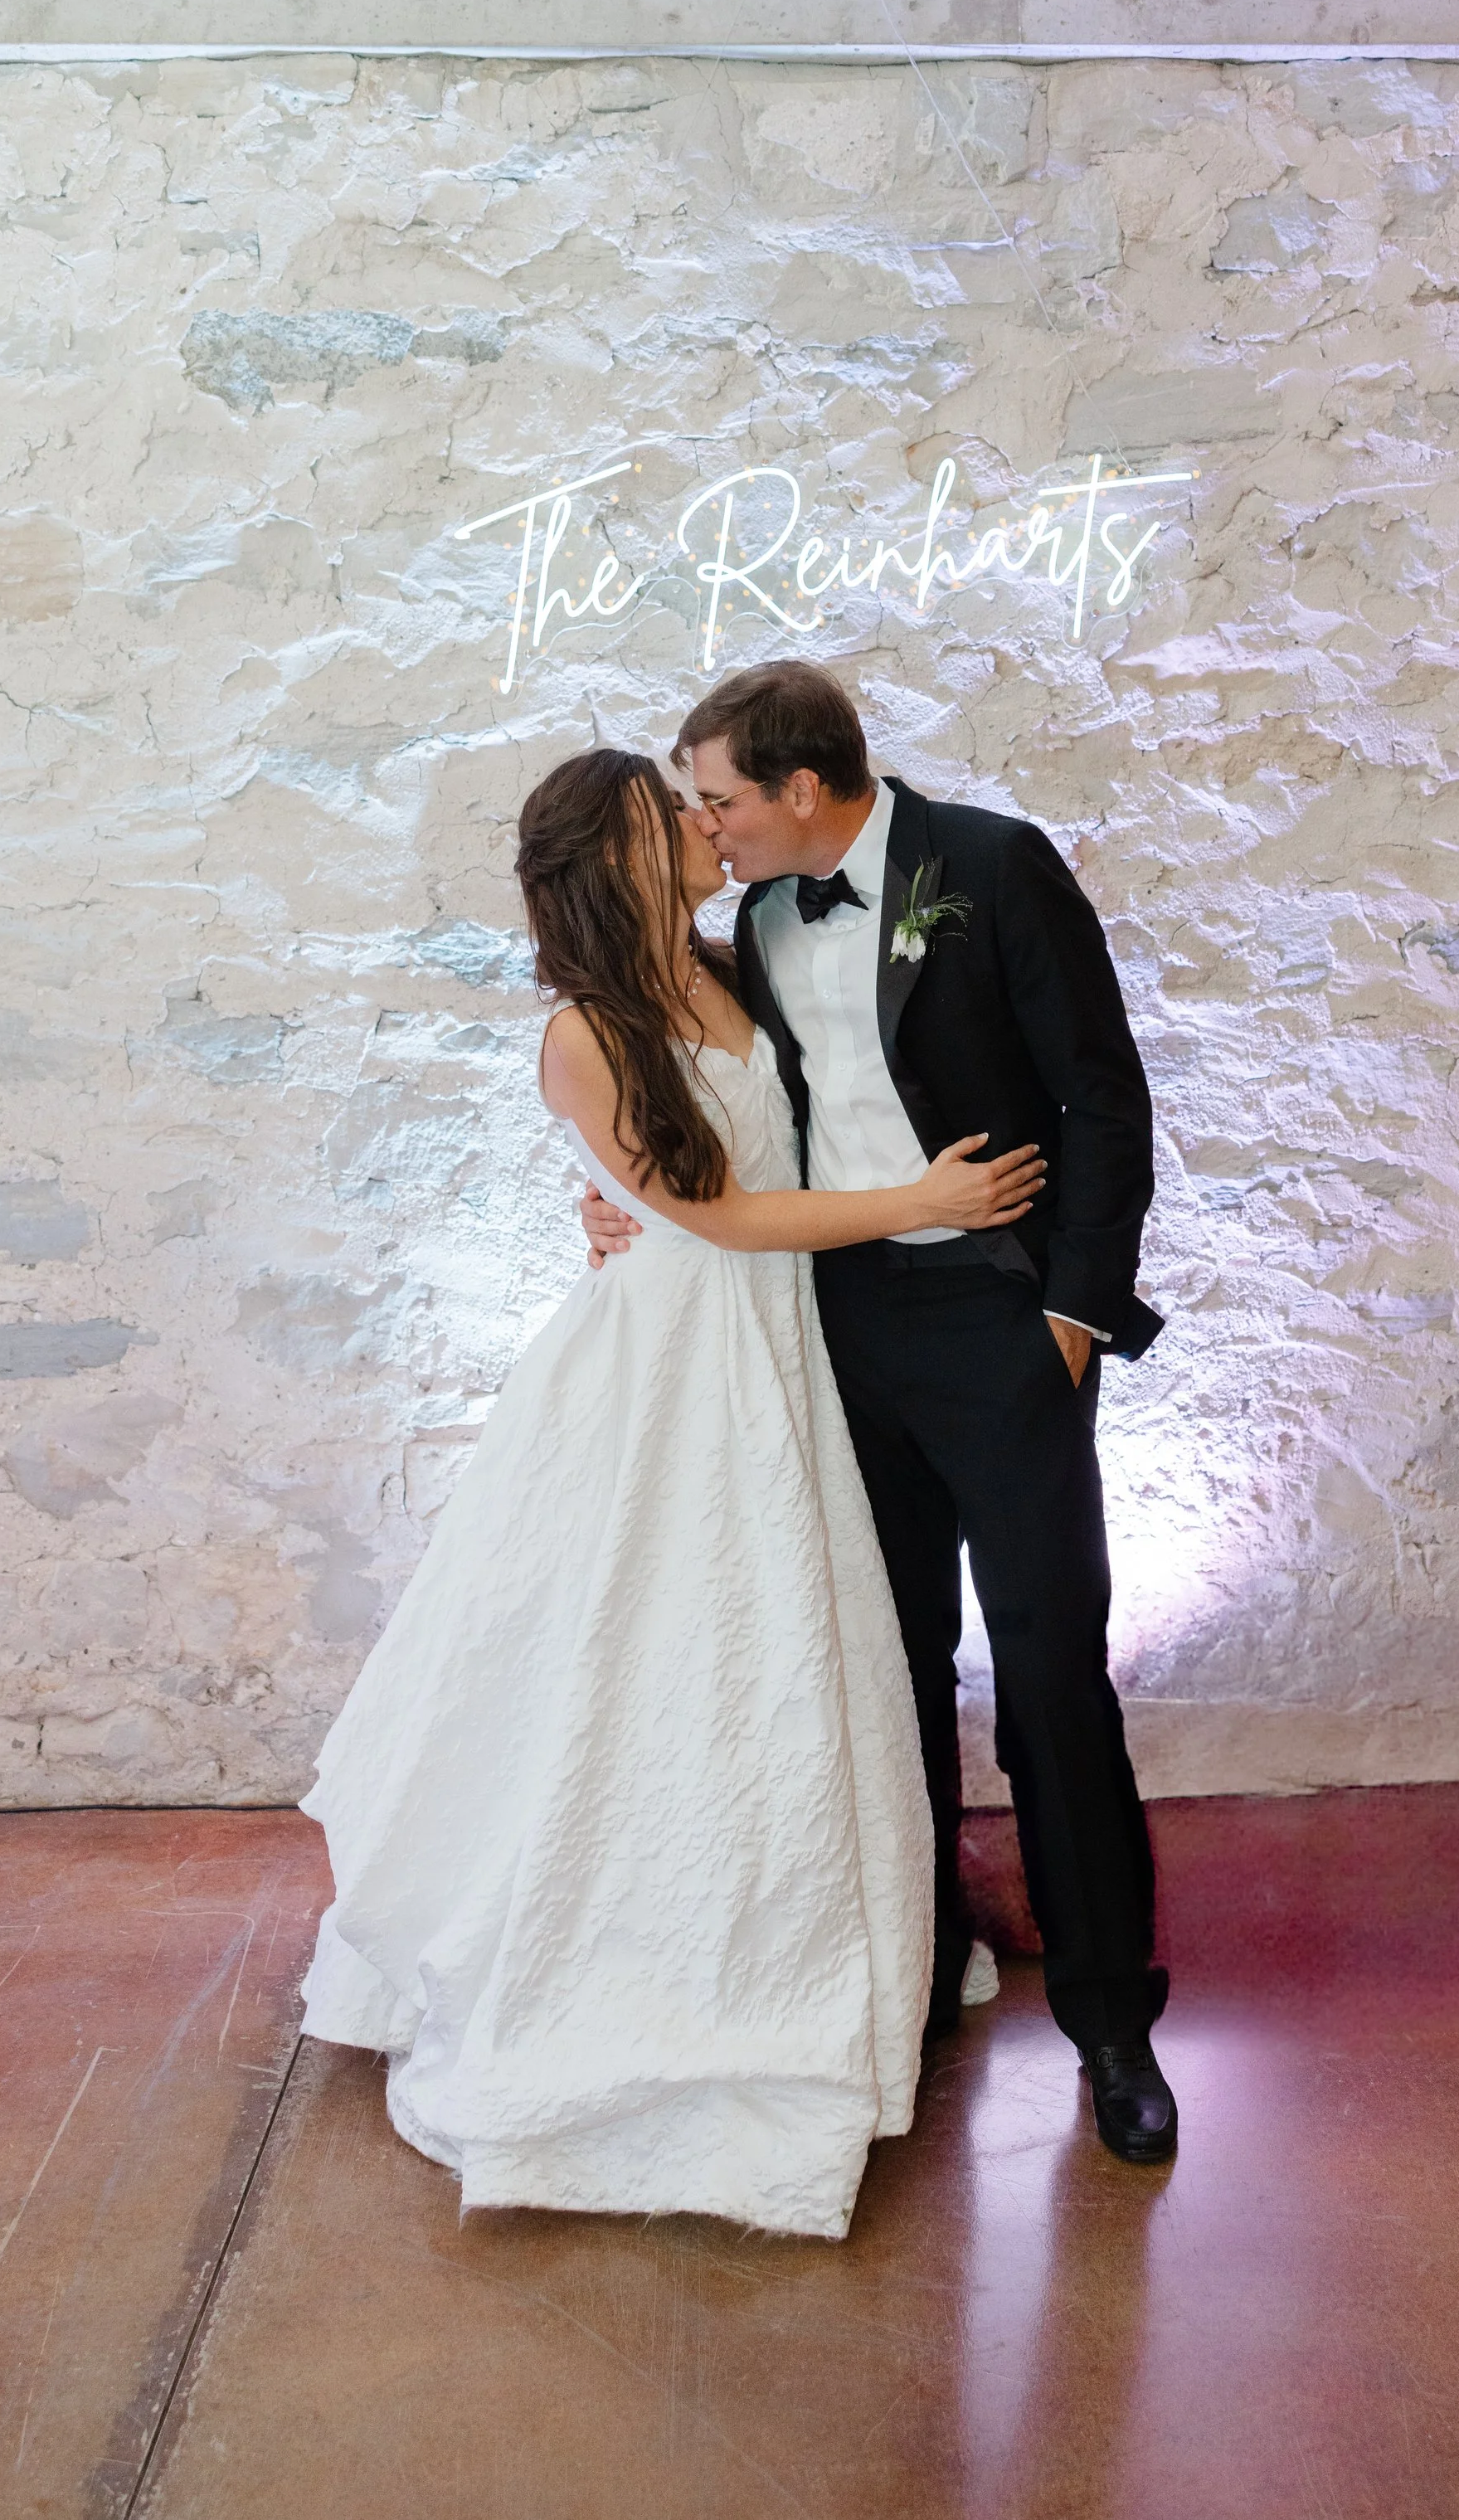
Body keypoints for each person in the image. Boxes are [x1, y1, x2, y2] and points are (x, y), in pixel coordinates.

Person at [298, 746, 1047, 2239]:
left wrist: (634, 1202)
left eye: (705, 807)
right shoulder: (584, 1031)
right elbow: (708, 1205)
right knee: (662, 1648)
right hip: (672, 1366)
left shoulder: (731, 963)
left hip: (778, 1348)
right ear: (620, 855)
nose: (708, 828)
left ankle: (825, 1948)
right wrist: (915, 1204)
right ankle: (640, 1973)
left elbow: (781, 1128)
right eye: (675, 815)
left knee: (792, 1648)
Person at [581, 663, 1177, 2164]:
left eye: (717, 797)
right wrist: (613, 1215)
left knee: (1051, 1671)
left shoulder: (990, 865)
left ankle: (1112, 2025)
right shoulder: (753, 929)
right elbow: (690, 1118)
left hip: (1001, 1321)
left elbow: (1107, 1103)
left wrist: (1069, 1318)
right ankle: (907, 1987)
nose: (704, 829)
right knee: (886, 1668)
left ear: (799, 788)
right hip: (837, 1332)